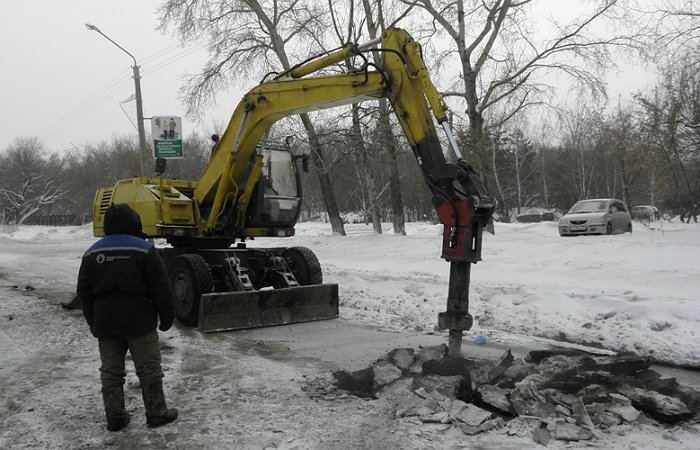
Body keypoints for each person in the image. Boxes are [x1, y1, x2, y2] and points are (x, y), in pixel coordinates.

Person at [77, 203, 178, 432]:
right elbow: (161, 287)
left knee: (111, 371)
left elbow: (84, 291)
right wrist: (167, 317)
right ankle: (156, 412)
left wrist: (94, 322)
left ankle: (115, 417)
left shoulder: (92, 252)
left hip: (106, 321)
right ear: (134, 223)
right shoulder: (143, 249)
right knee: (149, 368)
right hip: (139, 320)